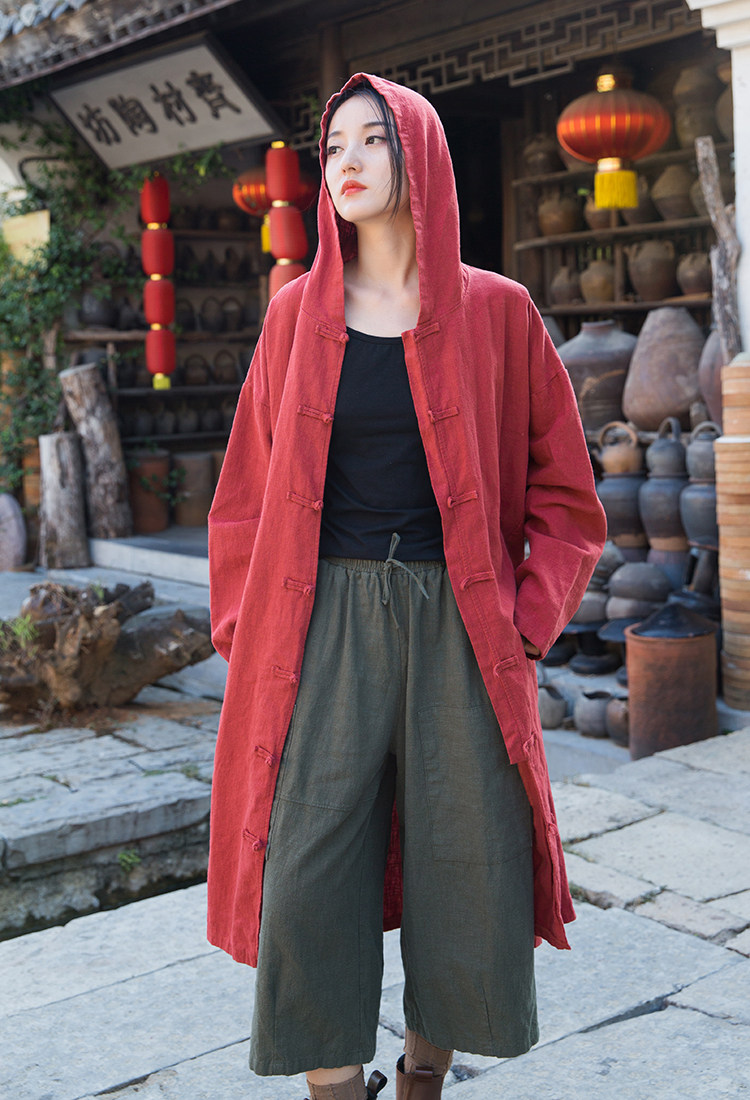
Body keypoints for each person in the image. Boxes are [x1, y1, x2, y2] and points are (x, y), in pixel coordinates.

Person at [207, 74, 607, 1100]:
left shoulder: (499, 311)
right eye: (334, 142)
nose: (347, 159)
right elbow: (243, 496)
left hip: (461, 622)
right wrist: (248, 630)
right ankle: (337, 1085)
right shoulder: (293, 317)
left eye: (373, 139)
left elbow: (569, 497)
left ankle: (425, 1076)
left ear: (418, 154)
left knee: (467, 856)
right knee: (304, 865)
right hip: (321, 623)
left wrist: (524, 624)